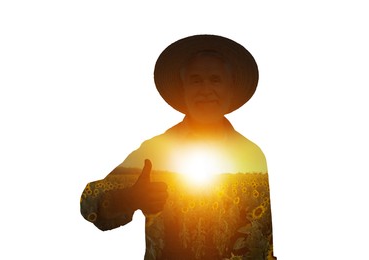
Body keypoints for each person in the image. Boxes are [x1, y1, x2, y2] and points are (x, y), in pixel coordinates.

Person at [80, 35, 277, 260]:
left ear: (230, 89)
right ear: (182, 89)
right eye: (195, 80)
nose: (205, 89)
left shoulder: (251, 154)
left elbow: (261, 238)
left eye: (215, 79)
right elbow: (90, 203)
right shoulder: (155, 152)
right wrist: (130, 197)